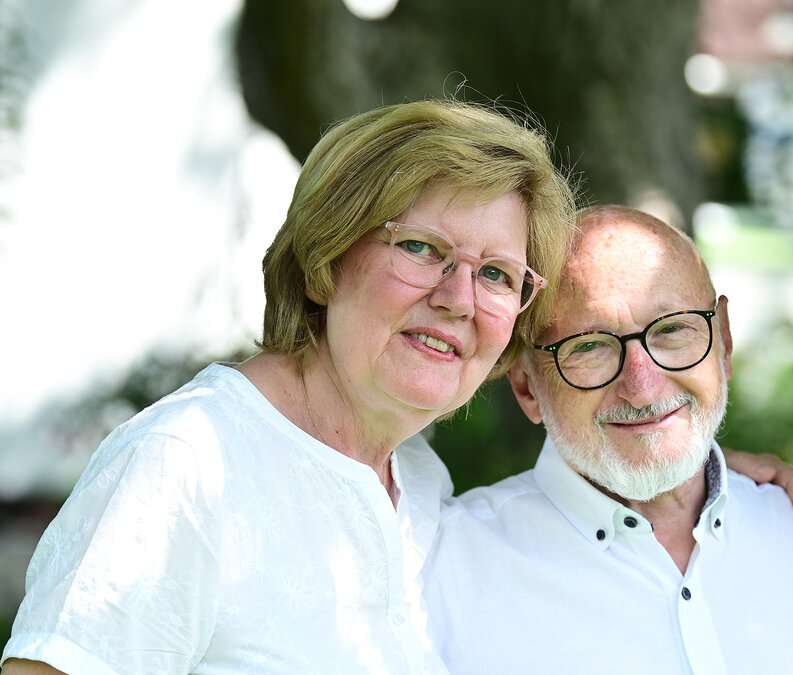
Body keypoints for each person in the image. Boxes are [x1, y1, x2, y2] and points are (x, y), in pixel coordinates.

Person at [1, 99, 576, 674]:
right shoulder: (187, 464)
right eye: (422, 249)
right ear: (328, 257)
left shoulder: (416, 482)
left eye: (497, 274)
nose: (459, 300)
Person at [422, 205, 793, 674]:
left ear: (724, 342)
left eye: (672, 330)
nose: (642, 385)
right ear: (527, 387)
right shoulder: (444, 573)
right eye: (588, 346)